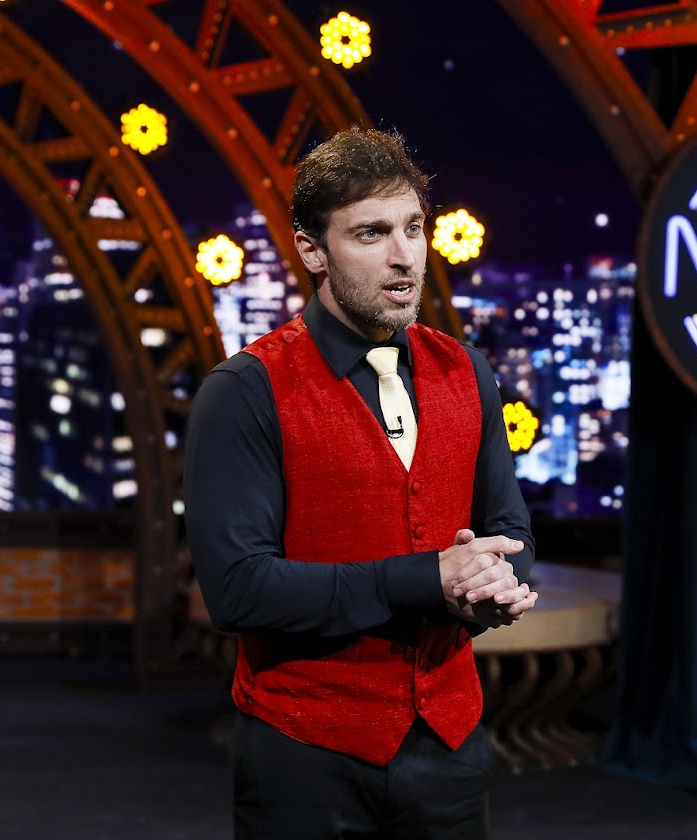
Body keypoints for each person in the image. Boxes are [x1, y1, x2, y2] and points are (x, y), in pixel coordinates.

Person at [183, 126, 538, 839]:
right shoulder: (245, 389)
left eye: (413, 228)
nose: (404, 255)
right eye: (371, 233)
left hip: (450, 750)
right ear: (312, 250)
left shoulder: (467, 372)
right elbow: (238, 590)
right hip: (303, 755)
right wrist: (427, 579)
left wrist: (495, 585)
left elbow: (511, 534)